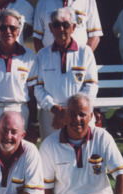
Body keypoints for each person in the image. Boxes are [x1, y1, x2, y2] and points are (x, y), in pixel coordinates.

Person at [39, 93, 123, 194]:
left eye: (82, 114)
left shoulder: (102, 137)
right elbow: (45, 187)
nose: (77, 119)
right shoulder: (49, 144)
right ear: (66, 115)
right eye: (73, 114)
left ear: (91, 116)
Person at [34, 7, 98, 141]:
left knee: (83, 155)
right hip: (51, 115)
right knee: (51, 157)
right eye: (56, 25)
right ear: (50, 28)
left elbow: (91, 87)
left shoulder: (85, 52)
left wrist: (71, 113)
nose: (61, 29)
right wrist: (55, 109)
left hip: (79, 115)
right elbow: (38, 88)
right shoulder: (42, 55)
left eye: (65, 24)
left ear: (73, 27)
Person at [0, 9, 38, 143]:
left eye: (12, 27)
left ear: (18, 30)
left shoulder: (29, 56)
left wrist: (33, 124)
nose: (8, 31)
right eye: (3, 27)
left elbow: (32, 94)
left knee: (17, 155)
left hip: (20, 110)